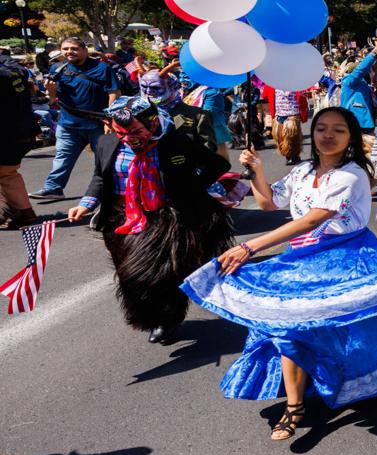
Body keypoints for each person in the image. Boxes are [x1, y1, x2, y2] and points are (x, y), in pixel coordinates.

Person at [181, 108, 377, 441]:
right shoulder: (302, 171)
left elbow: (313, 219)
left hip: (346, 259)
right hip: (301, 260)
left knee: (341, 331)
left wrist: (250, 247)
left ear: (350, 138)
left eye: (338, 130)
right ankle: (296, 406)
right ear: (311, 134)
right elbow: (269, 203)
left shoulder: (352, 174)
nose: (327, 135)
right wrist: (255, 171)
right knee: (287, 329)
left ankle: (329, 384)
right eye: (321, 128)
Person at [65, 96, 235, 345]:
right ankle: (148, 315)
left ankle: (167, 319)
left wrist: (192, 188)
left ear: (153, 122)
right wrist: (85, 204)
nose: (128, 138)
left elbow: (217, 165)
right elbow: (100, 178)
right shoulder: (106, 143)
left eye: (135, 131)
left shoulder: (177, 141)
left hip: (167, 219)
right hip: (122, 218)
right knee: (129, 275)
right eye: (121, 132)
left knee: (164, 273)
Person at [31, 39, 120, 202]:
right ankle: (53, 188)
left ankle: (107, 190)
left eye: (74, 48)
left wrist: (110, 118)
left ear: (84, 50)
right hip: (68, 124)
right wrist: (51, 93)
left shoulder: (102, 68)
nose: (69, 52)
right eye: (65, 49)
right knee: (62, 157)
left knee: (103, 160)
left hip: (98, 124)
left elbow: (114, 93)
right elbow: (53, 101)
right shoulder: (56, 69)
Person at [1, 50, 41, 229]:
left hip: (8, 133)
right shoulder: (14, 68)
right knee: (7, 174)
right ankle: (17, 210)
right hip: (22, 130)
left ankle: (21, 211)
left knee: (6, 174)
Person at [137, 66, 218, 152]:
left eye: (155, 87)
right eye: (144, 87)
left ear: (172, 86)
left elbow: (208, 149)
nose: (148, 91)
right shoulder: (139, 113)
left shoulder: (198, 115)